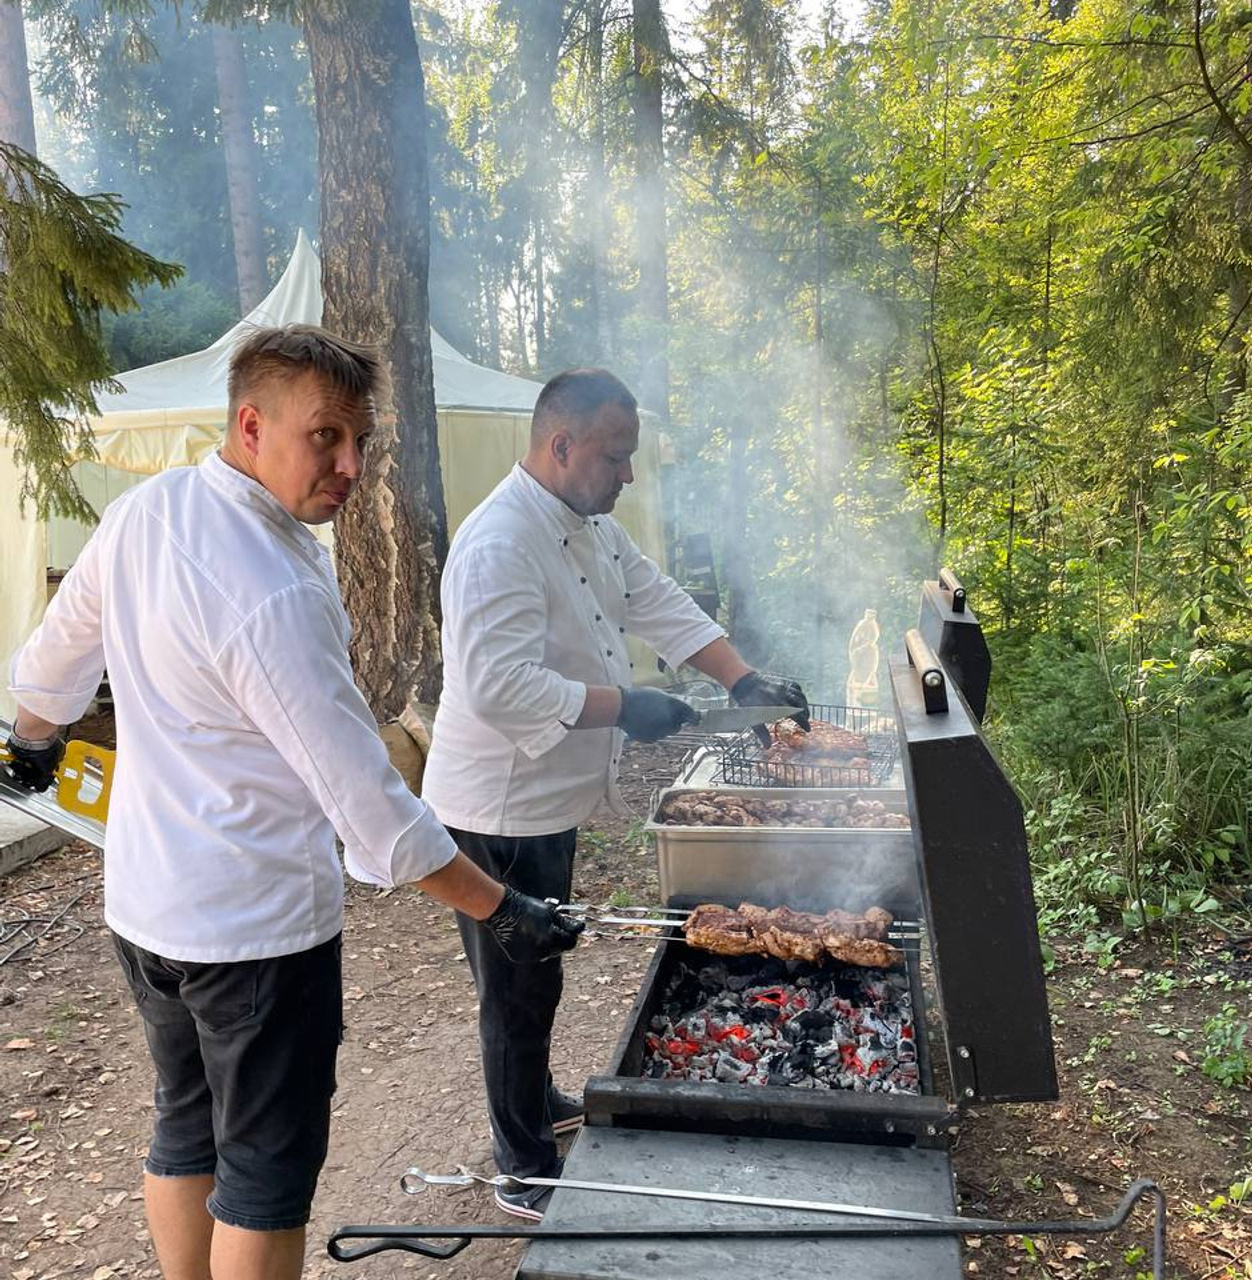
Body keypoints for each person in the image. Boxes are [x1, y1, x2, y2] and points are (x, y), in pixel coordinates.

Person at [3, 325, 582, 1280]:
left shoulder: (149, 510)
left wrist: (33, 740)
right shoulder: (271, 588)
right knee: (264, 1177)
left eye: (361, 441)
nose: (350, 465)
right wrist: (503, 907)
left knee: (185, 1128)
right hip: (253, 935)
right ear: (250, 425)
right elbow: (369, 805)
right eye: (325, 437)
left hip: (147, 911)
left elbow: (53, 661)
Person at [421, 367, 810, 1220]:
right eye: (616, 455)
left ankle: (536, 1100)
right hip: (498, 806)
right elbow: (497, 685)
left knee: (537, 977)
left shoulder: (588, 522)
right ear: (561, 445)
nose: (629, 474)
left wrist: (741, 679)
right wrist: (623, 705)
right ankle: (522, 1167)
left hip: (544, 800)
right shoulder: (499, 543)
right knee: (515, 993)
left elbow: (655, 599)